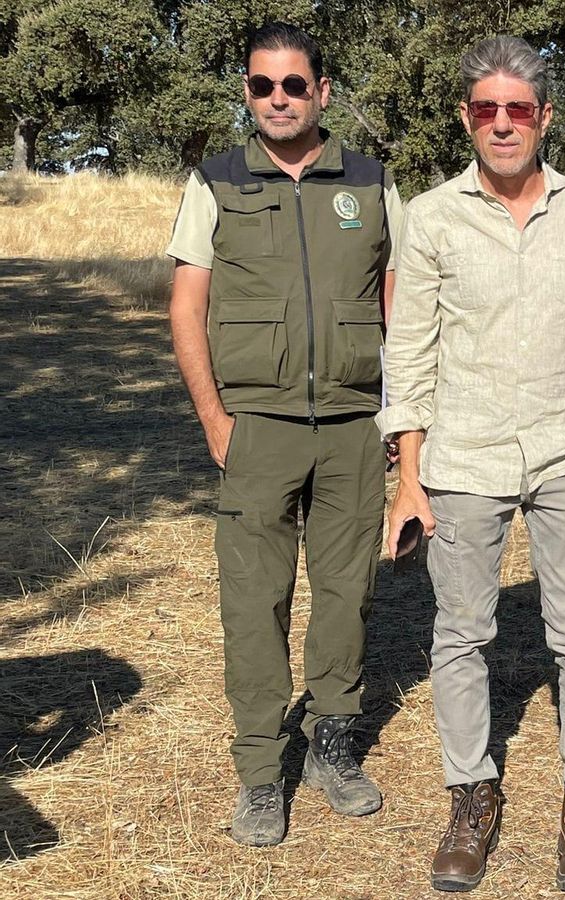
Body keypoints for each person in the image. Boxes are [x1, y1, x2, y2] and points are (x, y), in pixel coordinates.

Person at [377, 35, 565, 894]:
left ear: (544, 117)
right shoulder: (430, 218)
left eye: (517, 109)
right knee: (460, 634)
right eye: (485, 108)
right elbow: (410, 352)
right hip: (463, 453)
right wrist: (409, 478)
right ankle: (471, 794)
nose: (501, 124)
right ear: (465, 118)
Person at [166, 21, 403, 848]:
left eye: (293, 85)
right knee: (253, 601)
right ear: (247, 92)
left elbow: (399, 308)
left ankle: (333, 746)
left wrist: (398, 416)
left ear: (321, 93)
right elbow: (186, 307)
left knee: (347, 595)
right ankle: (262, 773)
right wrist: (215, 421)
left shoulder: (371, 182)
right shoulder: (216, 182)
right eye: (263, 85)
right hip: (256, 428)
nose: (278, 99)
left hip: (351, 425)